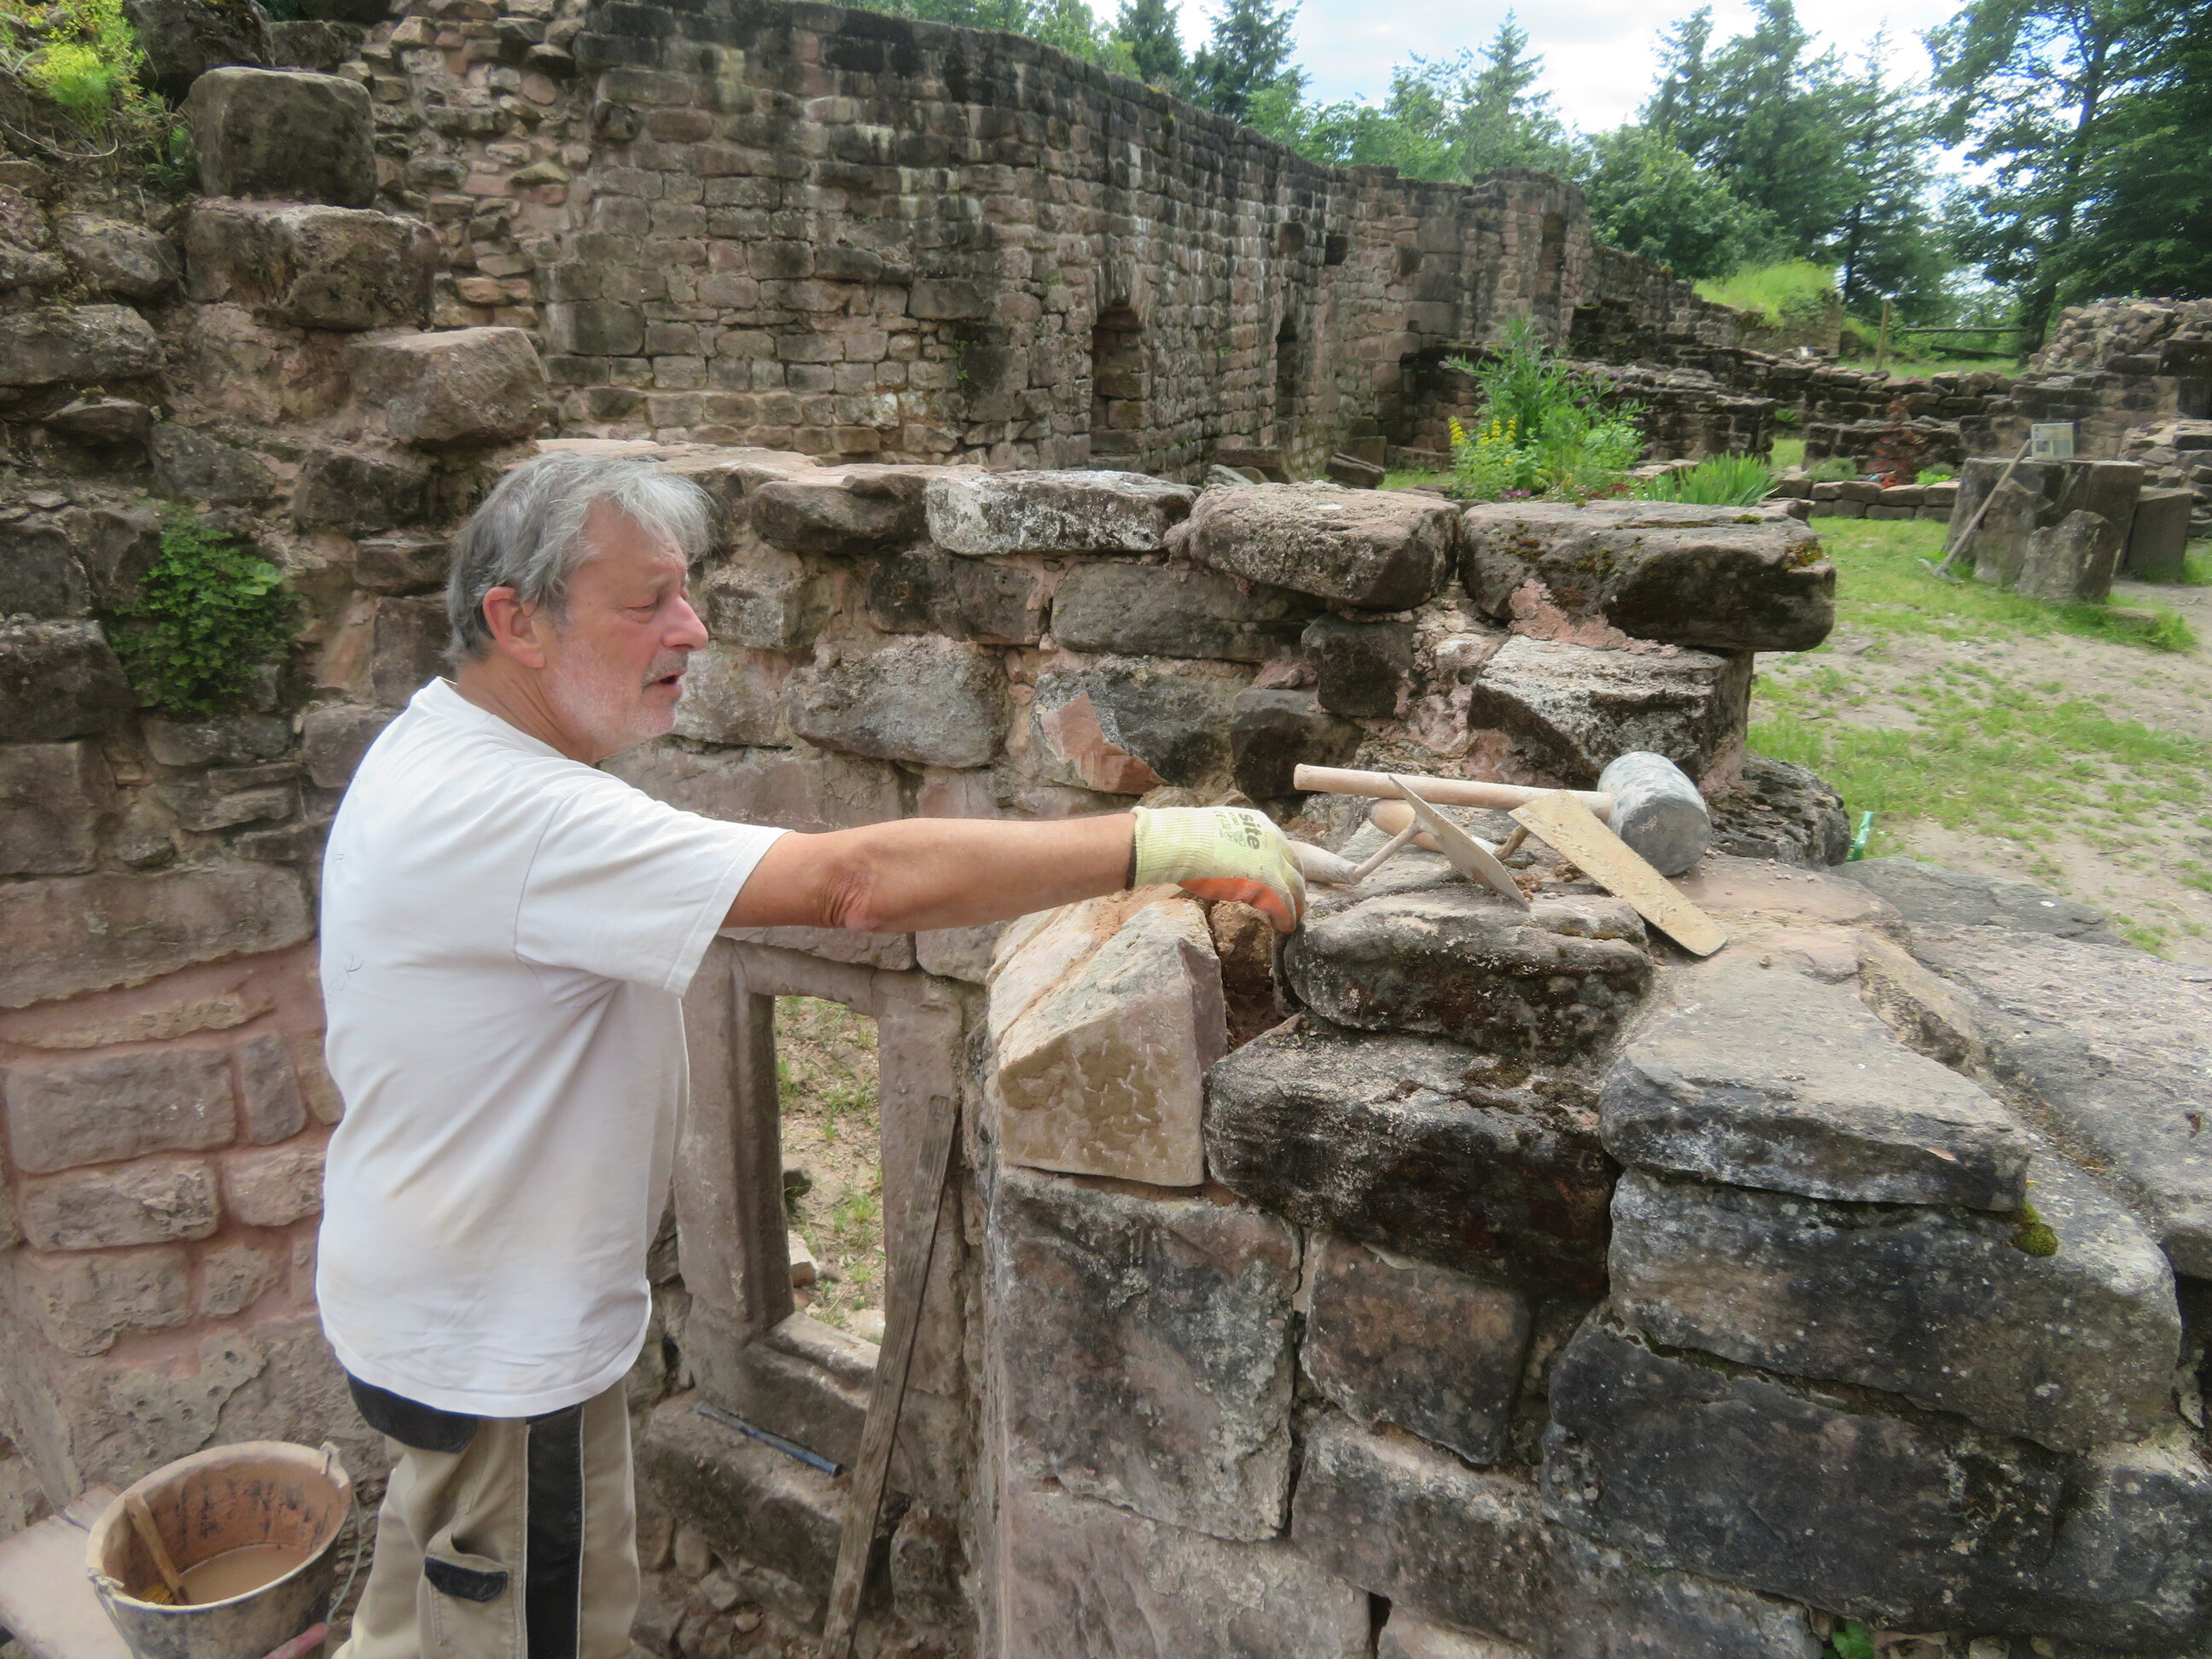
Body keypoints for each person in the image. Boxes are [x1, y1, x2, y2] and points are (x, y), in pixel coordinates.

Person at [317, 451, 1307, 1658]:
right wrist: (1155, 841)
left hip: (433, 1300)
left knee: (430, 1602)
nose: (692, 628)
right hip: (495, 1355)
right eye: (646, 602)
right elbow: (852, 885)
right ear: (516, 621)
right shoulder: (515, 812)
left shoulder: (439, 749)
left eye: (687, 591)